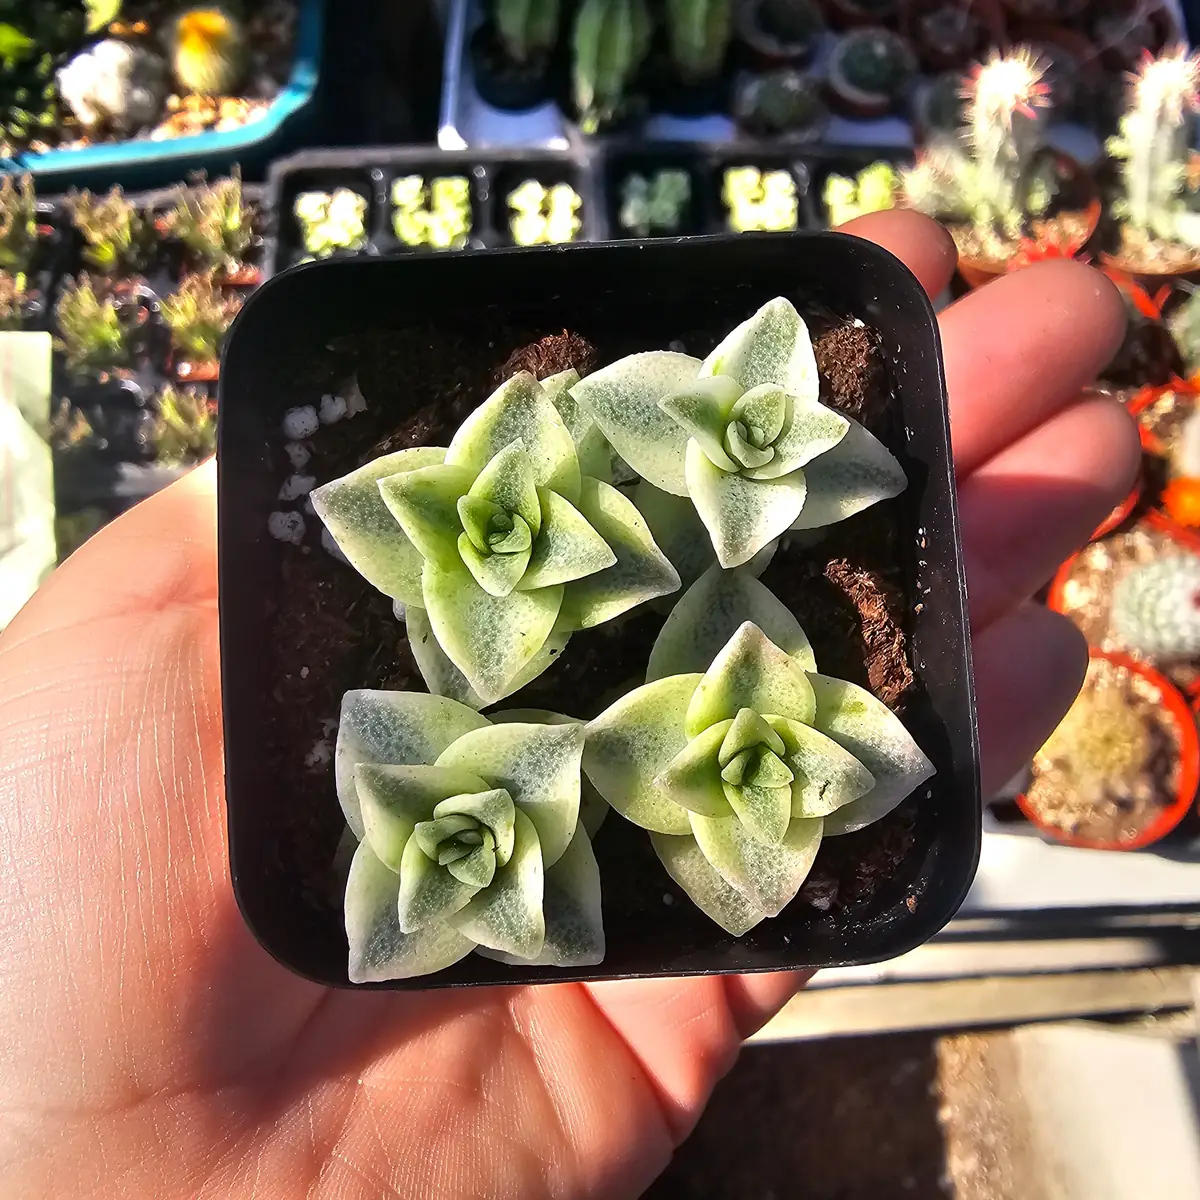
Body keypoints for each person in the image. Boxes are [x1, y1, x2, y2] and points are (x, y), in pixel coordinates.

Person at [0, 211, 1137, 1198]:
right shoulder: (466, 684)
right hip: (555, 645)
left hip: (670, 591)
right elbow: (509, 705)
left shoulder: (682, 634)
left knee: (683, 593)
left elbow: (688, 620)